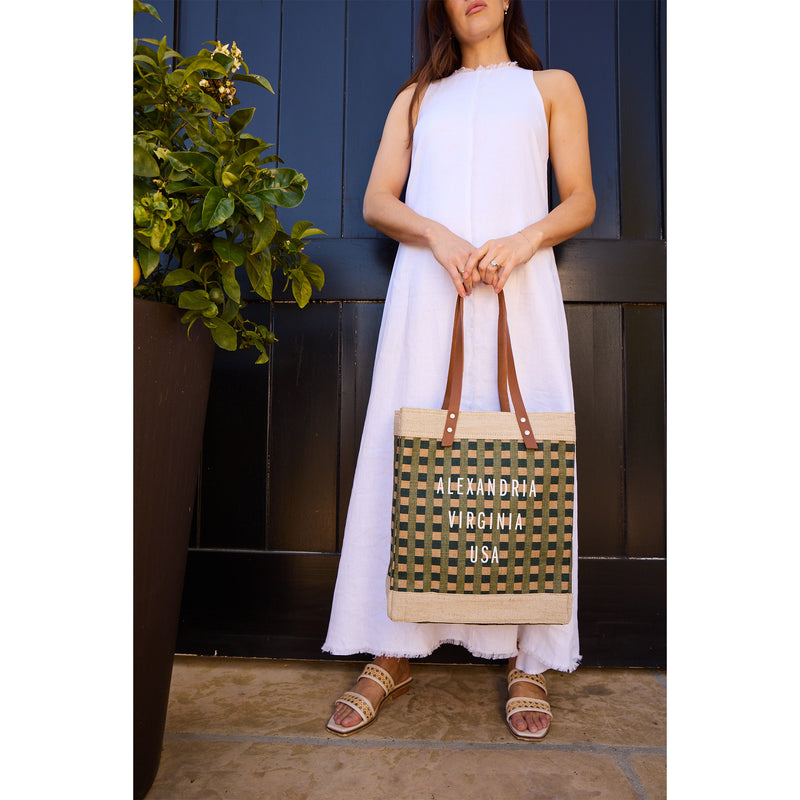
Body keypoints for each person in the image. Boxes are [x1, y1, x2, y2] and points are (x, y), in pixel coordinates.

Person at [322, 0, 595, 741]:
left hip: (519, 289)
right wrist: (436, 234)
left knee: (526, 457)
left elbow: (581, 199)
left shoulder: (551, 88)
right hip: (429, 293)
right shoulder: (415, 99)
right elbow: (379, 199)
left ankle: (529, 656)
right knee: (405, 449)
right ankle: (392, 648)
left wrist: (525, 237)